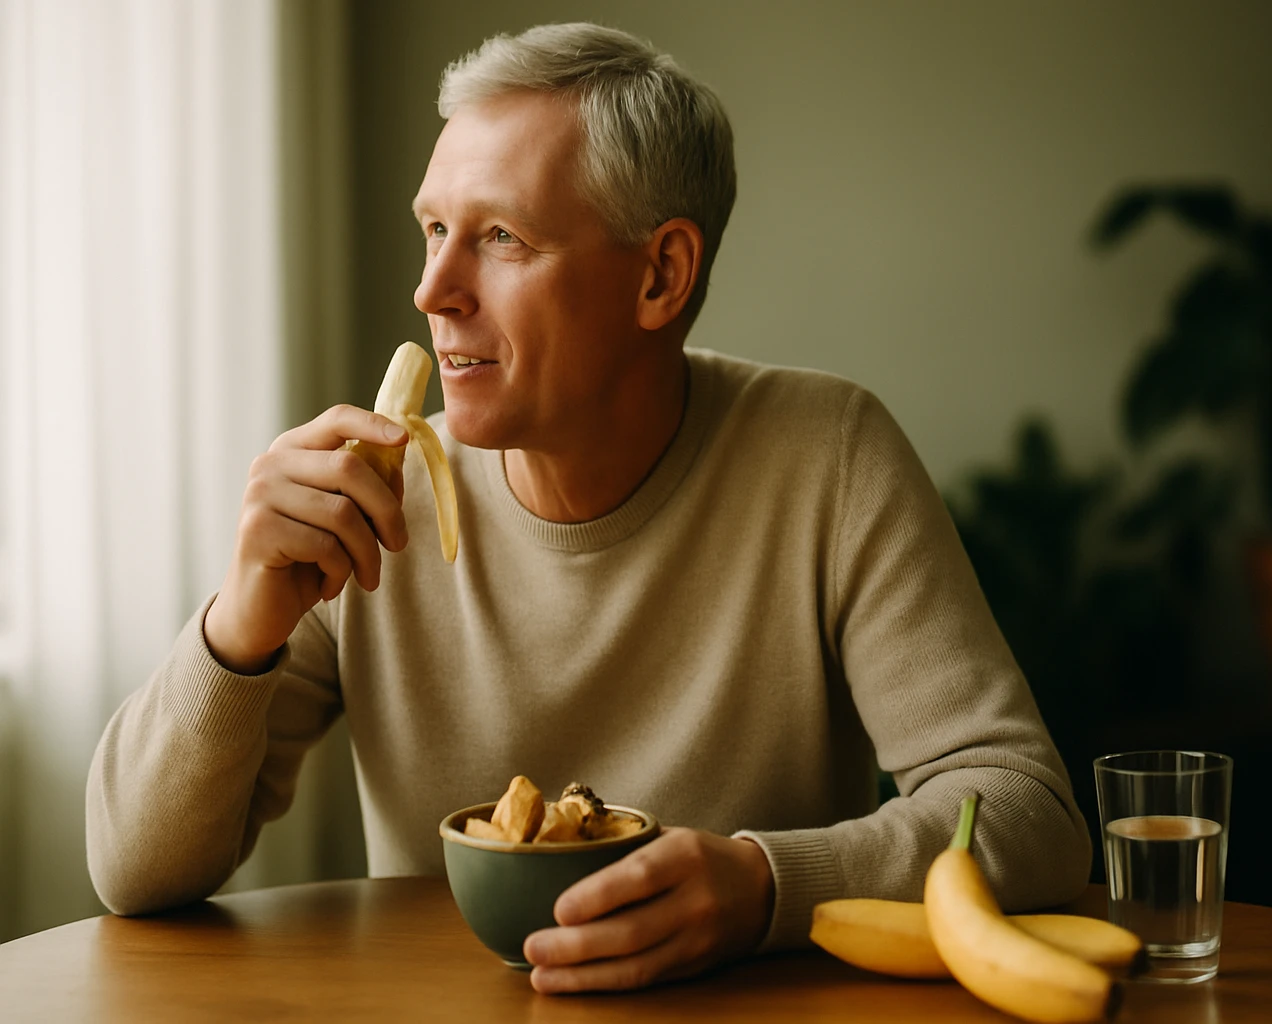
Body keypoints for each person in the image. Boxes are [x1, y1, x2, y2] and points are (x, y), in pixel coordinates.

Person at [86, 22, 1090, 993]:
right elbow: (131, 872)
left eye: (501, 237)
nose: (433, 290)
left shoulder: (828, 458)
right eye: (434, 230)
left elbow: (1027, 812)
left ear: (661, 275)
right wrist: (237, 632)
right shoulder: (365, 500)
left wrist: (766, 886)